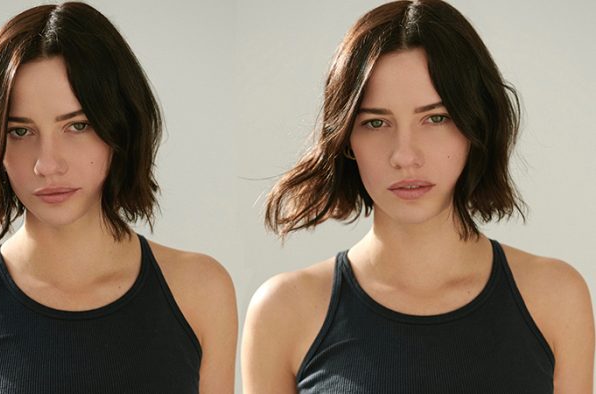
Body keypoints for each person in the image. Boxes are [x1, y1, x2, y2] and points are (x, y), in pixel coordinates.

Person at [241, 1, 594, 393]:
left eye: (436, 118)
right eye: (375, 123)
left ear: (477, 123)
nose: (404, 156)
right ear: (346, 140)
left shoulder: (555, 298)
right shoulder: (284, 311)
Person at [0, 3, 236, 393]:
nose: (47, 164)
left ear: (120, 127)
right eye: (21, 132)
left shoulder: (198, 290)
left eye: (77, 125)